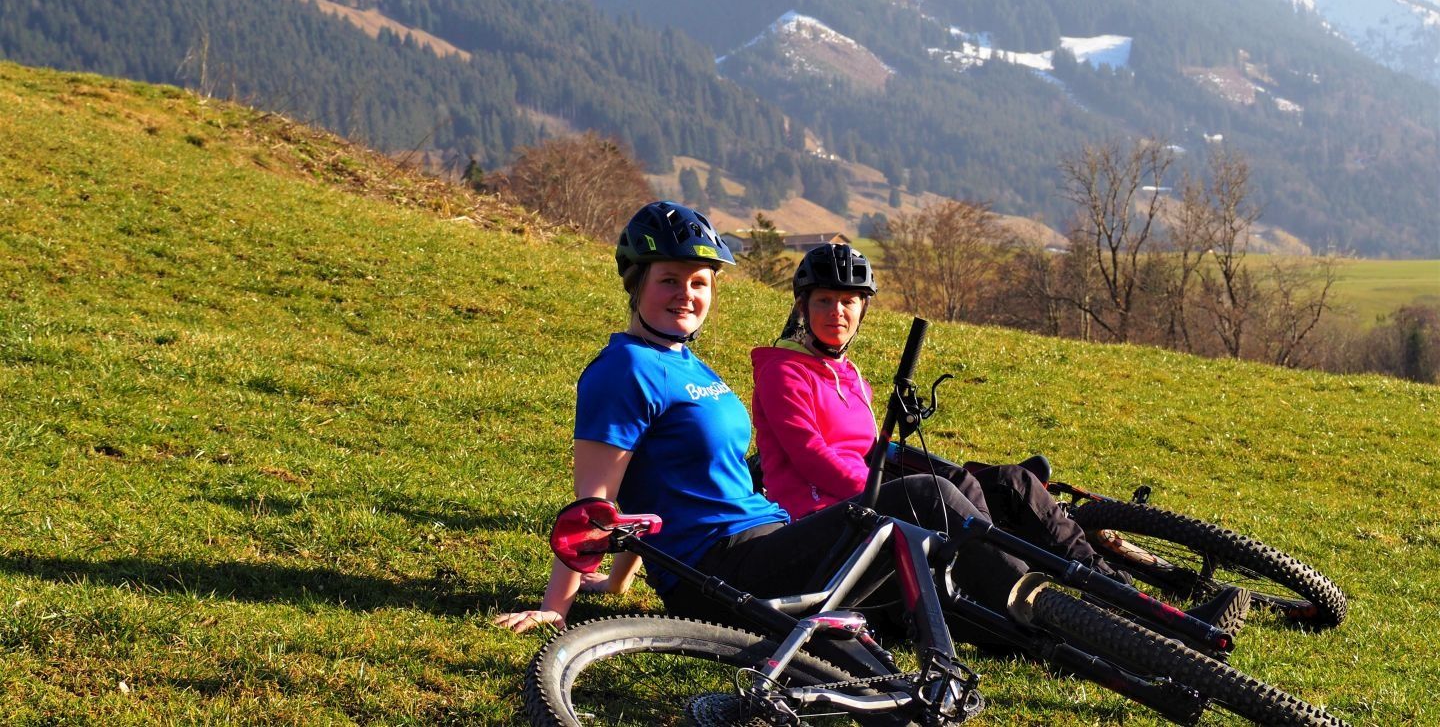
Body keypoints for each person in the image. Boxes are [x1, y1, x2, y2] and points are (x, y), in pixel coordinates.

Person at [493, 202, 1031, 636]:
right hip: (718, 569)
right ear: (636, 283)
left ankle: (1051, 633)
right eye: (669, 279)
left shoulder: (686, 364)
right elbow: (595, 507)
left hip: (768, 538)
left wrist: (617, 584)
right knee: (924, 495)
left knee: (931, 568)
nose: (687, 295)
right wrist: (556, 608)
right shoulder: (622, 371)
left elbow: (653, 491)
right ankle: (1038, 603)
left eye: (700, 282)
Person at [751, 243, 1249, 636]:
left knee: (1012, 483)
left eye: (848, 302)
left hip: (874, 493)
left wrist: (947, 471)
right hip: (833, 520)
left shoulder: (848, 373)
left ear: (862, 310)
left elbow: (870, 448)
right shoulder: (782, 374)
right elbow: (815, 459)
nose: (837, 312)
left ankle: (1123, 594)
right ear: (802, 306)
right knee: (959, 504)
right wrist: (909, 487)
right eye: (825, 301)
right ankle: (1116, 617)